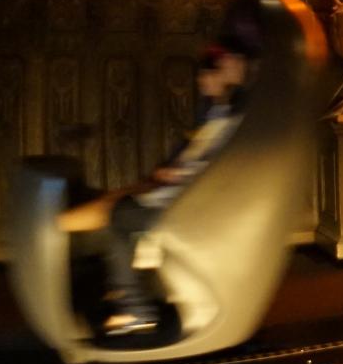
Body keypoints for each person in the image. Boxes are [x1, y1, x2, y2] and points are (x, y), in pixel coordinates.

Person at [100, 38, 251, 335]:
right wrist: (172, 169)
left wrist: (179, 173)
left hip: (199, 206)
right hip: (186, 196)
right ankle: (124, 286)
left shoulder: (233, 117)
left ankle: (135, 307)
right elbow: (192, 154)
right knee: (123, 209)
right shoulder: (214, 112)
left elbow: (217, 167)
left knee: (120, 216)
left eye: (208, 73)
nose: (201, 81)